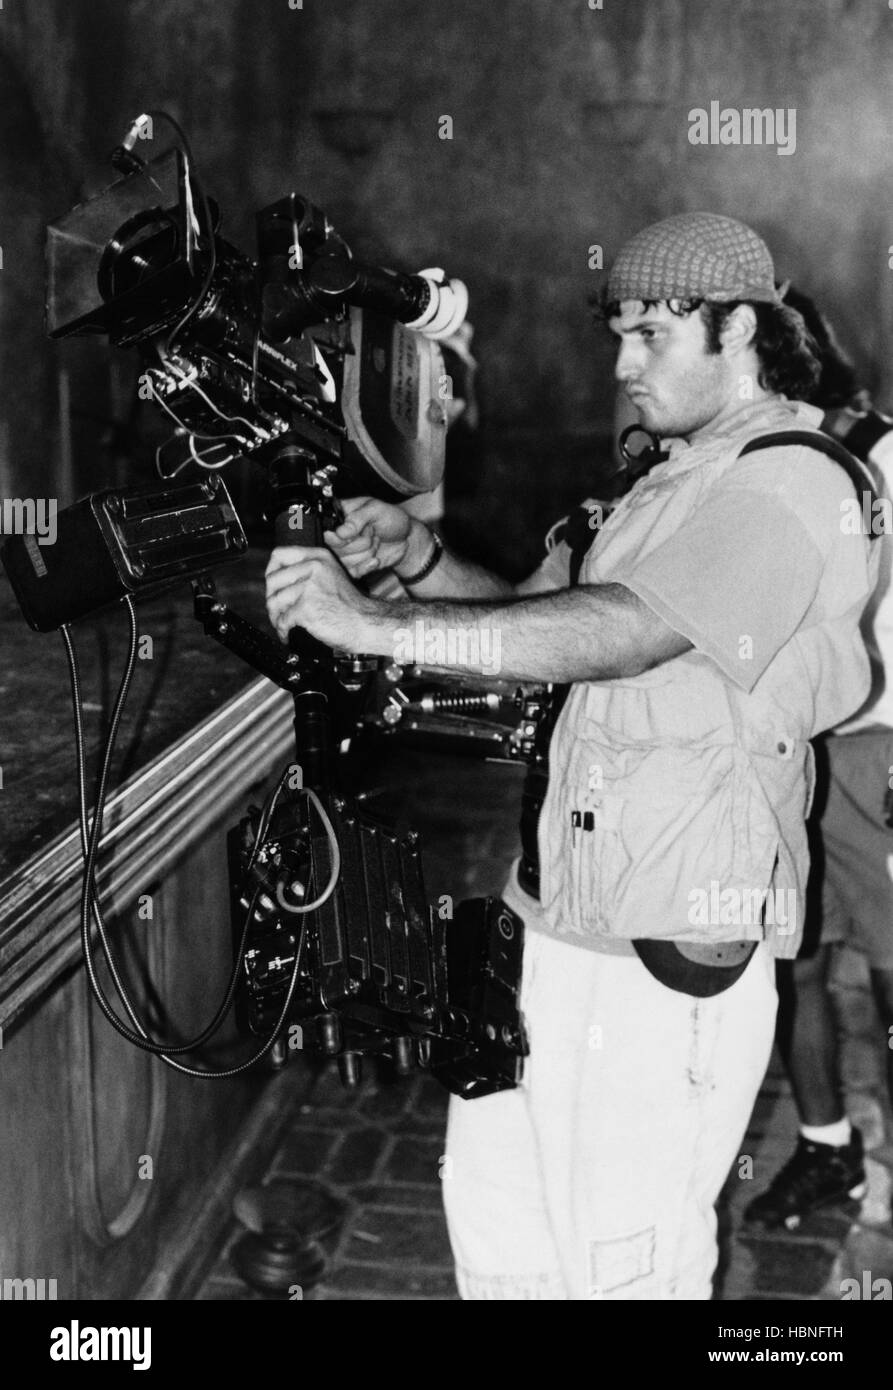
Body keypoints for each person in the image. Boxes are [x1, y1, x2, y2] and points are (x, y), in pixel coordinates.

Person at [265, 212, 878, 1299]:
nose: (621, 364)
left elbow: (631, 627)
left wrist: (375, 627)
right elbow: (533, 626)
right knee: (505, 1240)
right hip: (549, 921)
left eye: (649, 334)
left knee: (623, 1266)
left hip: (660, 949)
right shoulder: (658, 480)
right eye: (617, 335)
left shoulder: (797, 481)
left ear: (736, 329)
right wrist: (414, 563)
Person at [743, 289, 893, 1232]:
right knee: (788, 965)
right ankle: (826, 1149)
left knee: (888, 977)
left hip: (876, 751)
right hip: (785, 748)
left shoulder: (879, 451)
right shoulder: (757, 463)